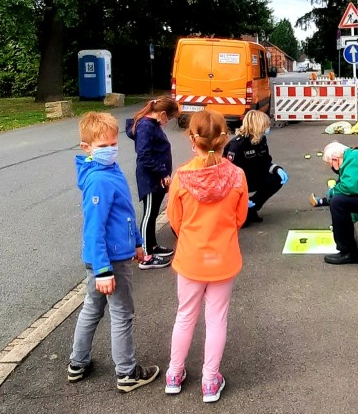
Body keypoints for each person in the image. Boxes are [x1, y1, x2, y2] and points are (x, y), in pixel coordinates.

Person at [67, 112, 160, 391]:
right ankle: (127, 373)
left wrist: (138, 243)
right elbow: (94, 229)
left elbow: (124, 215)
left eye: (112, 143)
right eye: (102, 146)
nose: (110, 150)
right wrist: (104, 270)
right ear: (87, 148)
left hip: (108, 256)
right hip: (109, 262)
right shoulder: (98, 180)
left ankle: (78, 363)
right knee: (121, 313)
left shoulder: (109, 170)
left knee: (92, 309)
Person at [164, 110, 248, 403]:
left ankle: (174, 374)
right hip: (223, 258)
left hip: (190, 258)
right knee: (216, 320)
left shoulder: (182, 177)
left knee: (184, 316)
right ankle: (210, 381)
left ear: (192, 138)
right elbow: (240, 218)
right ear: (225, 139)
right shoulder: (237, 176)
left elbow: (175, 220)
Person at [126, 97, 180, 269]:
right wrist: (162, 172)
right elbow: (144, 156)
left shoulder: (152, 124)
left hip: (156, 177)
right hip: (150, 178)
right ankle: (146, 256)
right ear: (162, 114)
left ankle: (153, 245)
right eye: (169, 119)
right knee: (149, 214)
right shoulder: (146, 127)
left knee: (154, 212)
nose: (167, 122)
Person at [224, 110, 288, 226]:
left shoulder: (261, 140)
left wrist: (277, 169)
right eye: (266, 125)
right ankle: (239, 210)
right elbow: (228, 175)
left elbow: (266, 162)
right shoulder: (237, 145)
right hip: (238, 183)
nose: (268, 128)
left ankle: (252, 208)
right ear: (258, 126)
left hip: (254, 177)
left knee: (276, 178)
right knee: (242, 224)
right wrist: (241, 197)